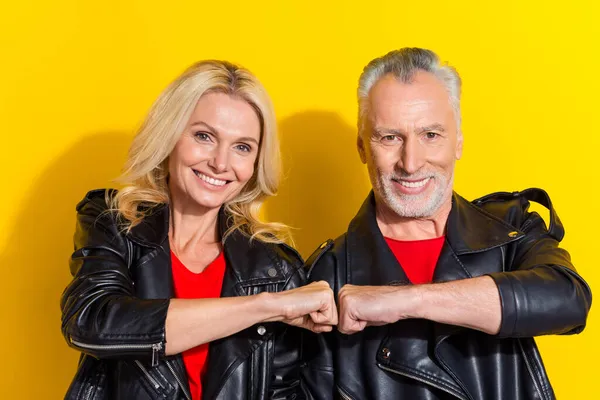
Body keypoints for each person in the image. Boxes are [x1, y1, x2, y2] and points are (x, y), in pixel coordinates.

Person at [302, 48, 592, 400]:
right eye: (390, 137)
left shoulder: (509, 230)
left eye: (431, 135)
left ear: (458, 142)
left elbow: (568, 300)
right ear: (363, 148)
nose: (411, 163)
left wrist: (405, 301)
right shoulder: (326, 273)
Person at [60, 60, 337, 400]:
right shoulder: (113, 221)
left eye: (242, 147)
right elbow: (92, 320)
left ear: (254, 163)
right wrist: (267, 306)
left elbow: (285, 392)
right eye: (204, 136)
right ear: (171, 135)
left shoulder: (276, 268)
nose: (220, 163)